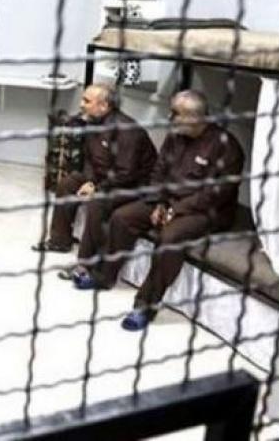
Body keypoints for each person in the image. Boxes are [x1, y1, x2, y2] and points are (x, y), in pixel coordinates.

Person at [85, 90, 245, 331]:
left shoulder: (227, 147)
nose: (170, 117)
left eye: (175, 113)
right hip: (168, 201)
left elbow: (215, 194)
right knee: (122, 217)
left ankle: (145, 306)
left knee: (170, 237)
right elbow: (159, 172)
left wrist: (176, 210)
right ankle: (104, 276)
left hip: (205, 210)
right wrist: (159, 202)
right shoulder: (175, 136)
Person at [32, 84, 157, 275]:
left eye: (87, 101)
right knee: (67, 183)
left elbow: (126, 173)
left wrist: (98, 188)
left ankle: (86, 265)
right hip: (104, 177)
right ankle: (60, 241)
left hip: (132, 186)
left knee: (98, 202)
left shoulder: (127, 131)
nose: (81, 105)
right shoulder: (92, 123)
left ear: (104, 106)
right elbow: (89, 159)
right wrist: (91, 181)